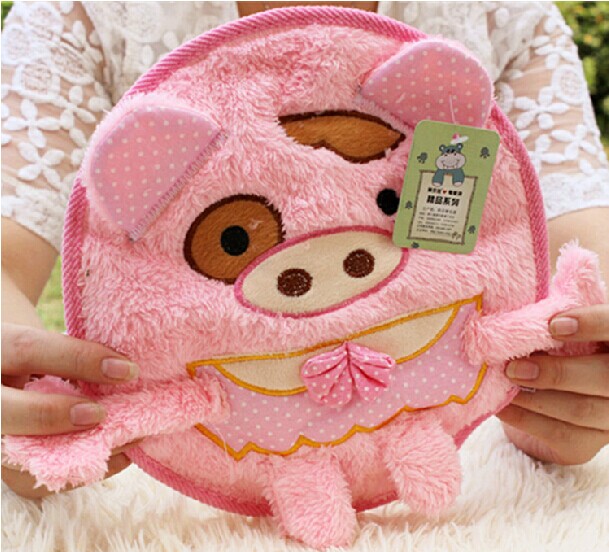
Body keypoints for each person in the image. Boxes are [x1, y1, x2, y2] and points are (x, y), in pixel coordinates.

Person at [2, 1, 608, 499]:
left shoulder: (503, 13)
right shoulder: (84, 12)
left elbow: (585, 241)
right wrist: (28, 405)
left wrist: (579, 369)